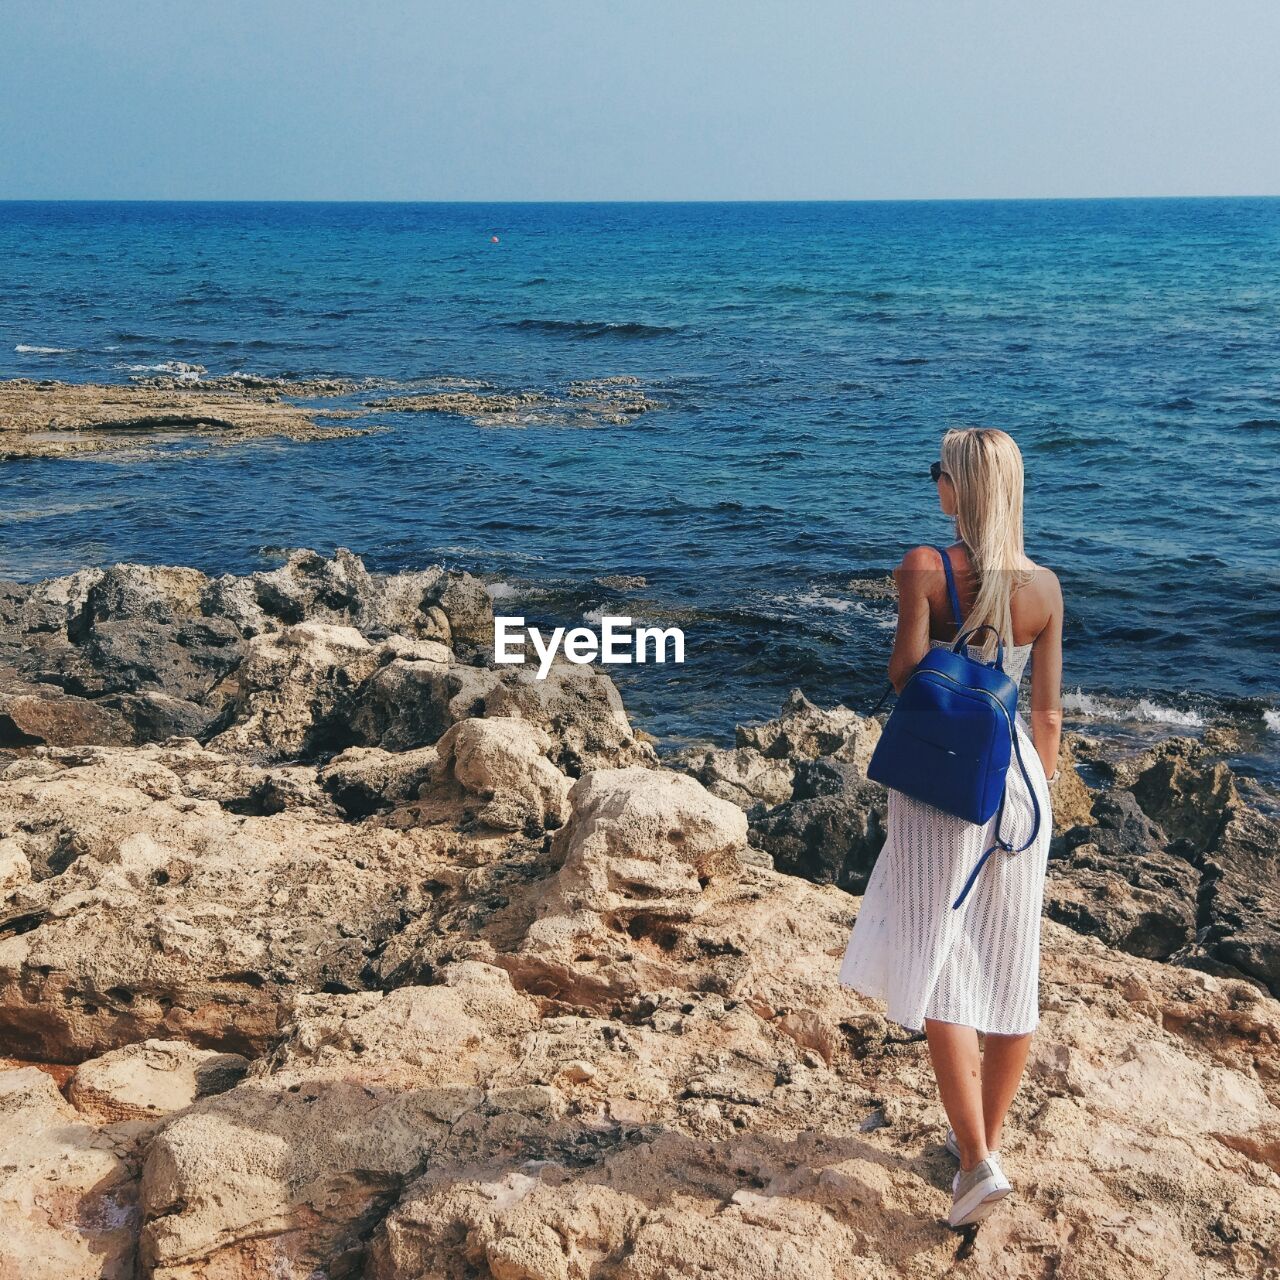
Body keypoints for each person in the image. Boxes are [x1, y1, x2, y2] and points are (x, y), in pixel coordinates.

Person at [838, 426, 1064, 1229]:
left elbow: (904, 674)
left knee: (941, 963)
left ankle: (972, 1163)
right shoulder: (1045, 587)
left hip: (942, 782)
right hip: (1022, 789)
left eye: (940, 473)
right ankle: (980, 1148)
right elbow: (1045, 714)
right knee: (1010, 968)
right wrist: (1035, 796)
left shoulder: (926, 567)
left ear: (956, 490)